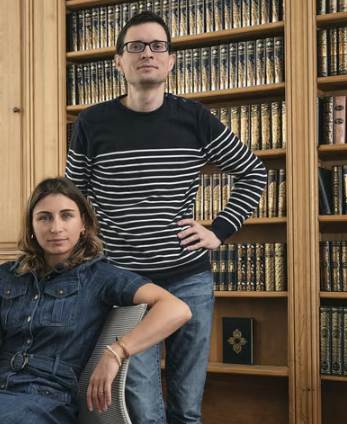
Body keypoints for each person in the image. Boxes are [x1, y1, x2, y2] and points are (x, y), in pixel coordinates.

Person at [65, 11, 267, 424]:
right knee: (141, 408)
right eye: (135, 46)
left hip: (188, 280)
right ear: (118, 61)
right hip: (126, 285)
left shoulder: (194, 118)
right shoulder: (91, 122)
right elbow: (73, 200)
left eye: (158, 46)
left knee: (186, 408)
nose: (147, 53)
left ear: (171, 60)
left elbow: (253, 172)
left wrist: (219, 231)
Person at [0, 177, 192, 424]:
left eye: (67, 216)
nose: (55, 227)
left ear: (83, 224)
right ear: (32, 227)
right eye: (44, 217)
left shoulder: (100, 276)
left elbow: (176, 309)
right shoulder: (5, 276)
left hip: (48, 407)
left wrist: (116, 352)